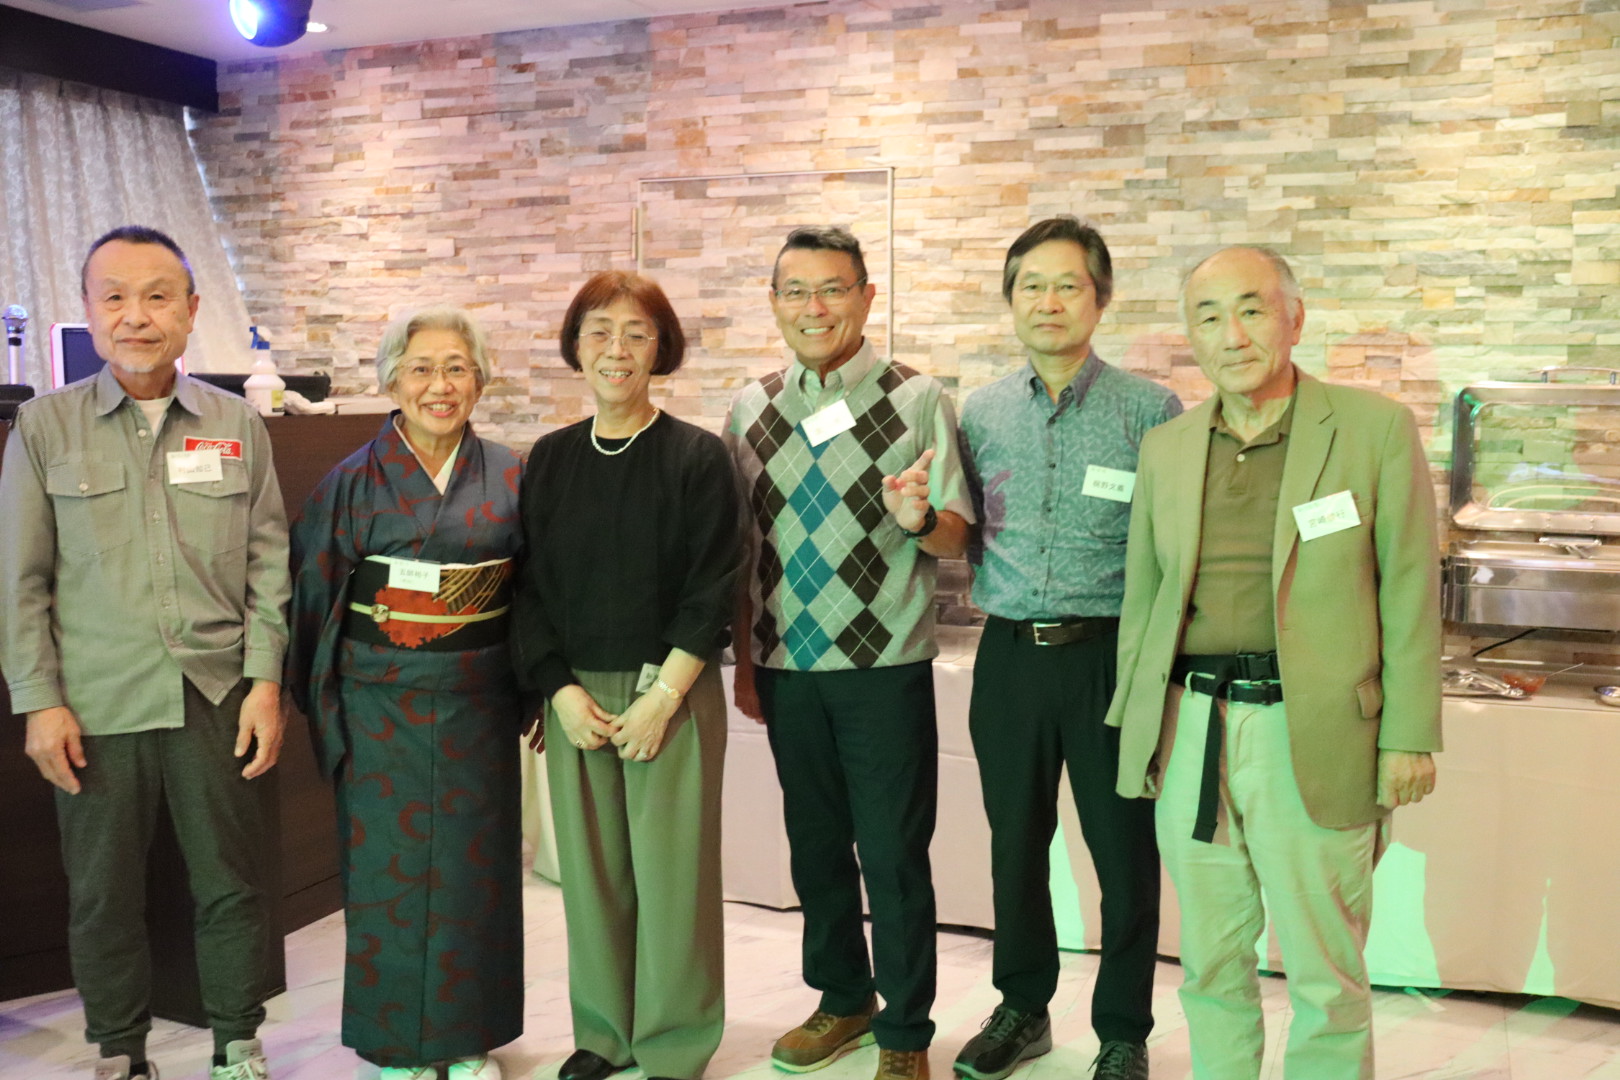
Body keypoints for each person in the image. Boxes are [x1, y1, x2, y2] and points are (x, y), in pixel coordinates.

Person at [1105, 246, 1442, 1080]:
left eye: (1252, 309)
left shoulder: (1371, 429)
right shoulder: (1168, 446)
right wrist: (1137, 729)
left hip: (1316, 728)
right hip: (1192, 728)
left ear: (1295, 317)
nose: (1232, 334)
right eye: (1208, 316)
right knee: (1210, 963)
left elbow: (1409, 589)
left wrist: (1408, 734)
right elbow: (1145, 600)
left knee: (1325, 971)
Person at [0, 225, 289, 1080]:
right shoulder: (44, 428)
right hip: (96, 703)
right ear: (89, 311)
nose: (136, 316)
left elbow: (270, 565)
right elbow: (21, 581)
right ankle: (120, 1053)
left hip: (217, 696)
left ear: (191, 310)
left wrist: (265, 682)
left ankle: (237, 1043)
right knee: (103, 896)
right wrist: (38, 701)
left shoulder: (236, 424)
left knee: (232, 883)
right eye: (115, 297)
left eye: (158, 296)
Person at [726, 226, 974, 1080]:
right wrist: (746, 662)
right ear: (774, 303)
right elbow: (743, 551)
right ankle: (843, 1000)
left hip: (884, 669)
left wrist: (919, 518)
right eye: (796, 291)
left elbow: (955, 535)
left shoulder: (917, 398)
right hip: (786, 670)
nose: (815, 307)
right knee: (815, 847)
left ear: (868, 297)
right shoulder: (750, 407)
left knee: (895, 854)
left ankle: (905, 1032)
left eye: (833, 288)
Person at [956, 218, 1179, 1080]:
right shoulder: (980, 412)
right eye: (1031, 286)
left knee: (1123, 851)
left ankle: (1123, 1030)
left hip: (1110, 658)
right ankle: (1022, 1007)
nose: (1048, 302)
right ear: (1011, 300)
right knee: (1015, 843)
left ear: (1100, 298)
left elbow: (1173, 548)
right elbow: (957, 530)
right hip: (1009, 656)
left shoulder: (1149, 410)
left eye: (1068, 285)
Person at [512, 271, 741, 1080]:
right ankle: (604, 1034)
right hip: (576, 698)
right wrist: (558, 690)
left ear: (660, 348)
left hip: (672, 693)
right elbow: (526, 588)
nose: (618, 349)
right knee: (593, 877)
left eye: (637, 333)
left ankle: (674, 1041)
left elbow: (714, 585)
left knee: (674, 877)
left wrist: (664, 697)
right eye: (600, 331)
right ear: (576, 346)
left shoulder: (697, 456)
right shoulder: (549, 460)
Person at [285, 307, 523, 1080]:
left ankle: (467, 1038)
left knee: (472, 874)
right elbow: (313, 596)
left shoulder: (511, 474)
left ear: (480, 380)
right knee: (387, 873)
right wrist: (324, 700)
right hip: (379, 707)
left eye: (456, 367)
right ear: (392, 381)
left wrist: (533, 686)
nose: (439, 385)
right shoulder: (351, 482)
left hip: (478, 703)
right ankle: (396, 1046)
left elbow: (536, 592)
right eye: (421, 368)